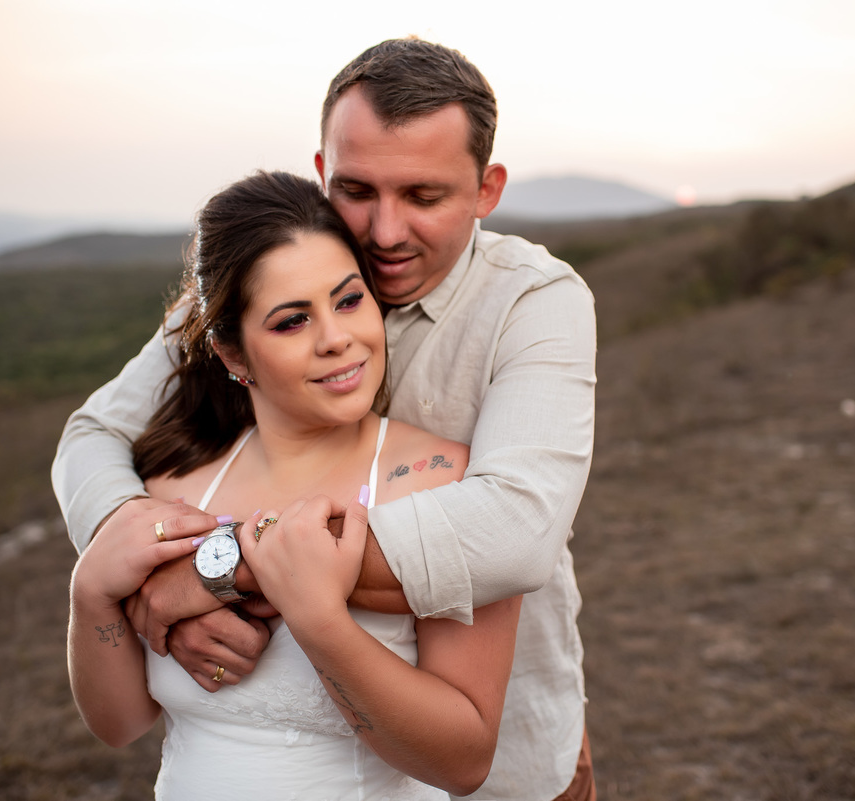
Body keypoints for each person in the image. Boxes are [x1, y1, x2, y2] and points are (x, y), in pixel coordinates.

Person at [53, 38, 597, 800]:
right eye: (357, 190)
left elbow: (518, 528)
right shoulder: (270, 271)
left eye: (424, 195)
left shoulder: (536, 302)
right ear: (321, 173)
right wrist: (139, 564)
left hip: (507, 750)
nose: (382, 231)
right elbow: (93, 436)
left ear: (486, 188)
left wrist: (221, 566)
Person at [69, 170, 522, 798]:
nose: (337, 340)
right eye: (290, 322)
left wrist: (321, 622)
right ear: (232, 355)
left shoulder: (448, 482)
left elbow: (464, 761)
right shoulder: (171, 491)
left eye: (348, 300)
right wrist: (90, 593)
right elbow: (120, 725)